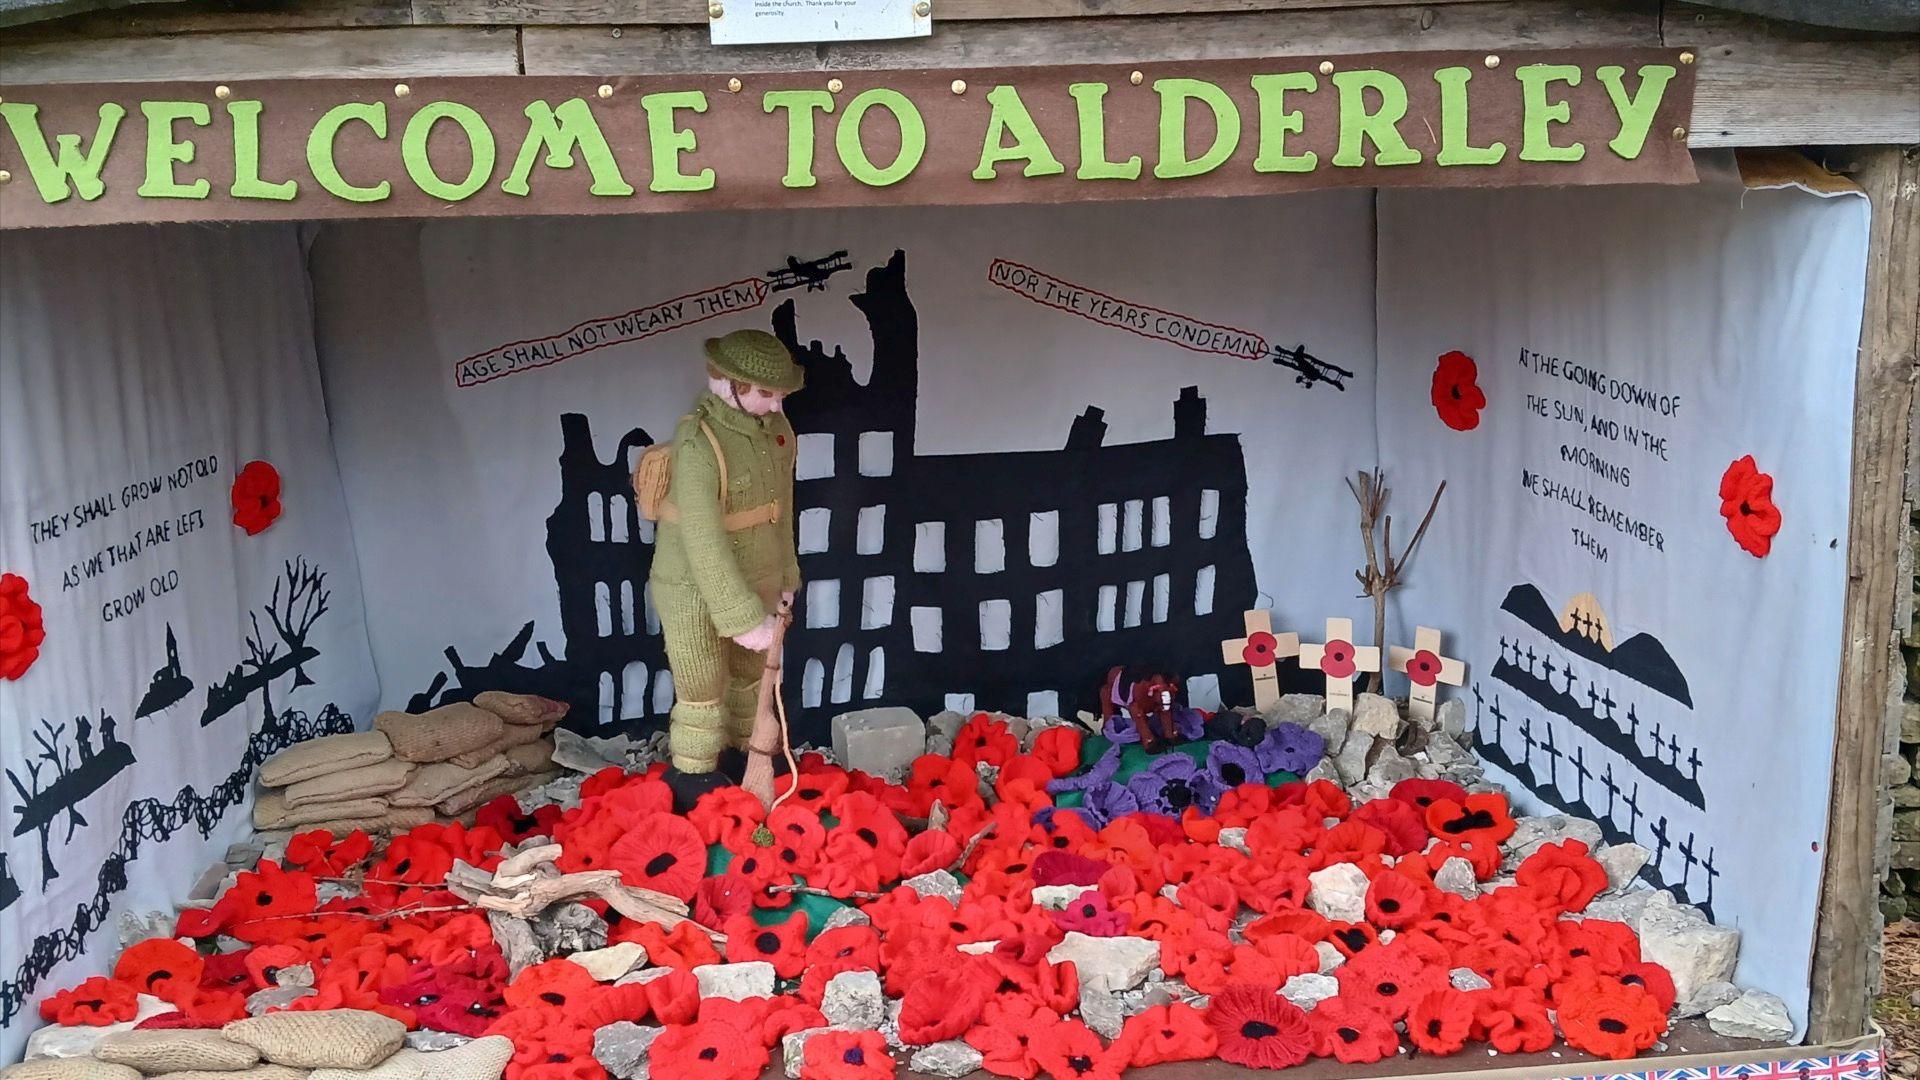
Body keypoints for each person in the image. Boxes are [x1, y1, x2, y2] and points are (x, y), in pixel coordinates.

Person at [648, 328, 803, 805]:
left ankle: (746, 751)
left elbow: (783, 510)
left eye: (778, 394)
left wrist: (787, 576)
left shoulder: (775, 432)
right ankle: (693, 773)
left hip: (759, 573)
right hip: (693, 584)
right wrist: (738, 617)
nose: (775, 404)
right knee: (702, 681)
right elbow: (702, 539)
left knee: (753, 674)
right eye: (764, 393)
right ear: (726, 382)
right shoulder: (698, 440)